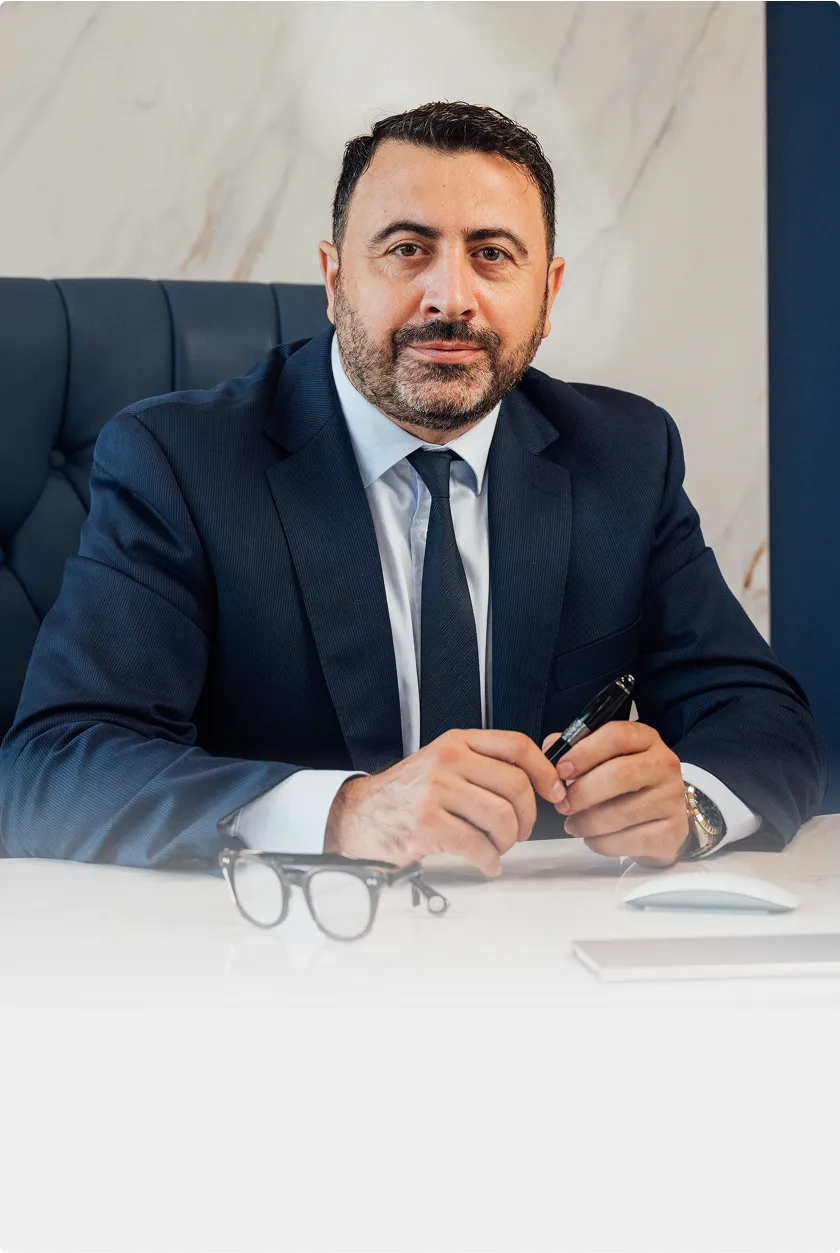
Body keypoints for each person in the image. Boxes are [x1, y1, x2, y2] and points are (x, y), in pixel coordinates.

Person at [0, 102, 827, 875]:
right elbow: (55, 766)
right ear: (333, 279)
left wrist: (689, 807)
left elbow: (766, 724)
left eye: (493, 254)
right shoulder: (178, 460)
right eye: (406, 248)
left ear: (549, 294)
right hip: (280, 957)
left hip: (541, 952)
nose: (451, 297)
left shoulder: (624, 455)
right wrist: (344, 813)